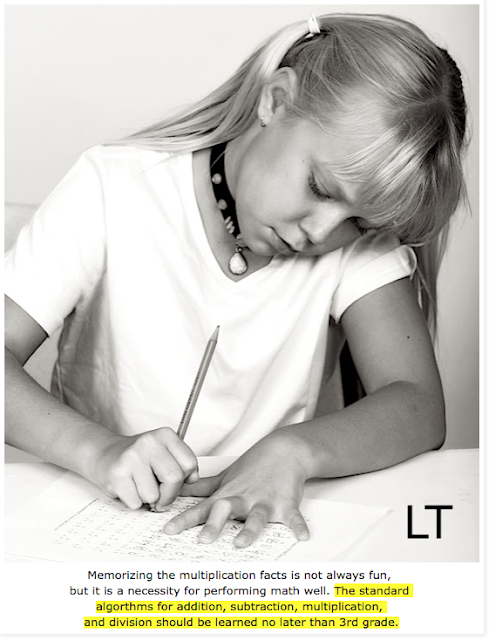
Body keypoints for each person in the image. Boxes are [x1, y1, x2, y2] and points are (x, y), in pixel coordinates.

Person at [5, 12, 468, 549]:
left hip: (253, 537)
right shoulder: (113, 187)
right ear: (276, 101)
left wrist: (292, 451)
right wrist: (97, 449)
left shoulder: (357, 249)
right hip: (93, 523)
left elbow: (418, 404)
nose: (321, 232)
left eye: (359, 222)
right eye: (320, 188)